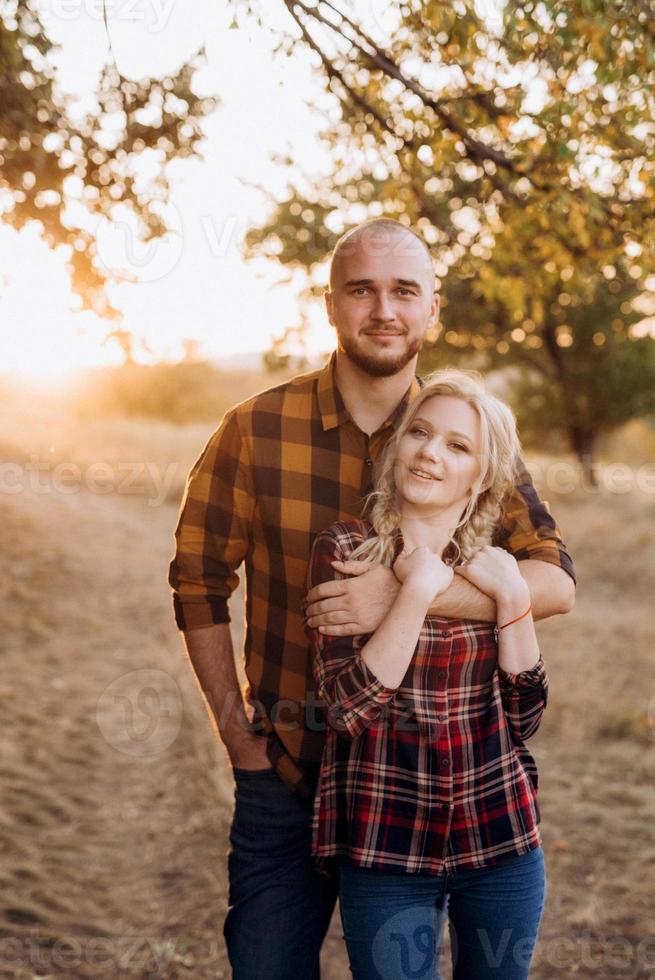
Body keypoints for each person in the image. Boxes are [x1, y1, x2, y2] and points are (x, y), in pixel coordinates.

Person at [168, 218, 575, 980]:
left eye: (403, 291)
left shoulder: (464, 433)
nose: (382, 309)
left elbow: (553, 582)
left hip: (422, 788)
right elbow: (196, 583)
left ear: (431, 309)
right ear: (330, 304)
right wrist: (238, 738)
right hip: (288, 771)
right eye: (361, 290)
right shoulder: (255, 430)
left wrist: (407, 592)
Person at [306, 370, 551, 980]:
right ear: (398, 447)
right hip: (387, 846)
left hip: (500, 837)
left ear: (483, 476)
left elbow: (525, 717)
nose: (430, 453)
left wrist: (514, 596)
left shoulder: (494, 566)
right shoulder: (346, 549)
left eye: (457, 445)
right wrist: (413, 591)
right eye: (420, 433)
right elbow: (347, 710)